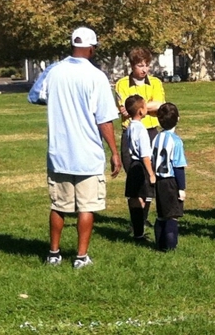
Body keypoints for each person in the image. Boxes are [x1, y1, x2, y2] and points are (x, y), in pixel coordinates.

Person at [28, 26, 122, 269]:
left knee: (58, 205)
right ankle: (80, 257)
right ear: (91, 48)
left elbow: (35, 95)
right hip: (87, 153)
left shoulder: (54, 71)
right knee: (86, 207)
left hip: (59, 153)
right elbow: (104, 119)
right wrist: (114, 151)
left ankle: (53, 253)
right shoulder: (96, 77)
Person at [115, 47, 165, 227]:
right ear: (132, 66)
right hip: (130, 134)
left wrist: (139, 107)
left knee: (151, 177)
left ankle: (143, 219)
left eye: (147, 65)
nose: (144, 69)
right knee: (135, 178)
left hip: (151, 132)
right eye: (140, 65)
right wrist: (144, 107)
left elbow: (159, 105)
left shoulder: (156, 83)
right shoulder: (122, 84)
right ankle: (136, 222)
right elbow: (126, 108)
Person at [151, 102, 187, 251]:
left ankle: (159, 244)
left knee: (161, 215)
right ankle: (171, 248)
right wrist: (181, 188)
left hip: (159, 181)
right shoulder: (176, 141)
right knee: (172, 216)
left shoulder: (156, 138)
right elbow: (178, 167)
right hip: (170, 181)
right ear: (178, 119)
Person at [124, 94, 156, 242]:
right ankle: (139, 232)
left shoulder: (130, 127)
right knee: (142, 198)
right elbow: (145, 155)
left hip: (132, 165)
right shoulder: (142, 130)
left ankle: (138, 232)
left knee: (135, 197)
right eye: (144, 106)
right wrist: (151, 173)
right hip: (141, 166)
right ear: (141, 111)